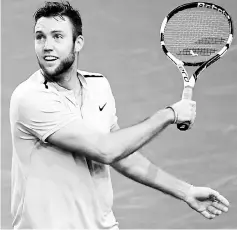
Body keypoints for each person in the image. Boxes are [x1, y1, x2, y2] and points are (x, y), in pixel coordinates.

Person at [10, 1, 229, 229]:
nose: (47, 46)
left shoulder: (98, 86)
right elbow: (106, 150)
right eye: (40, 37)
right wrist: (170, 114)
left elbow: (121, 155)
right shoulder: (30, 98)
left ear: (78, 43)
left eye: (57, 36)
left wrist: (186, 191)